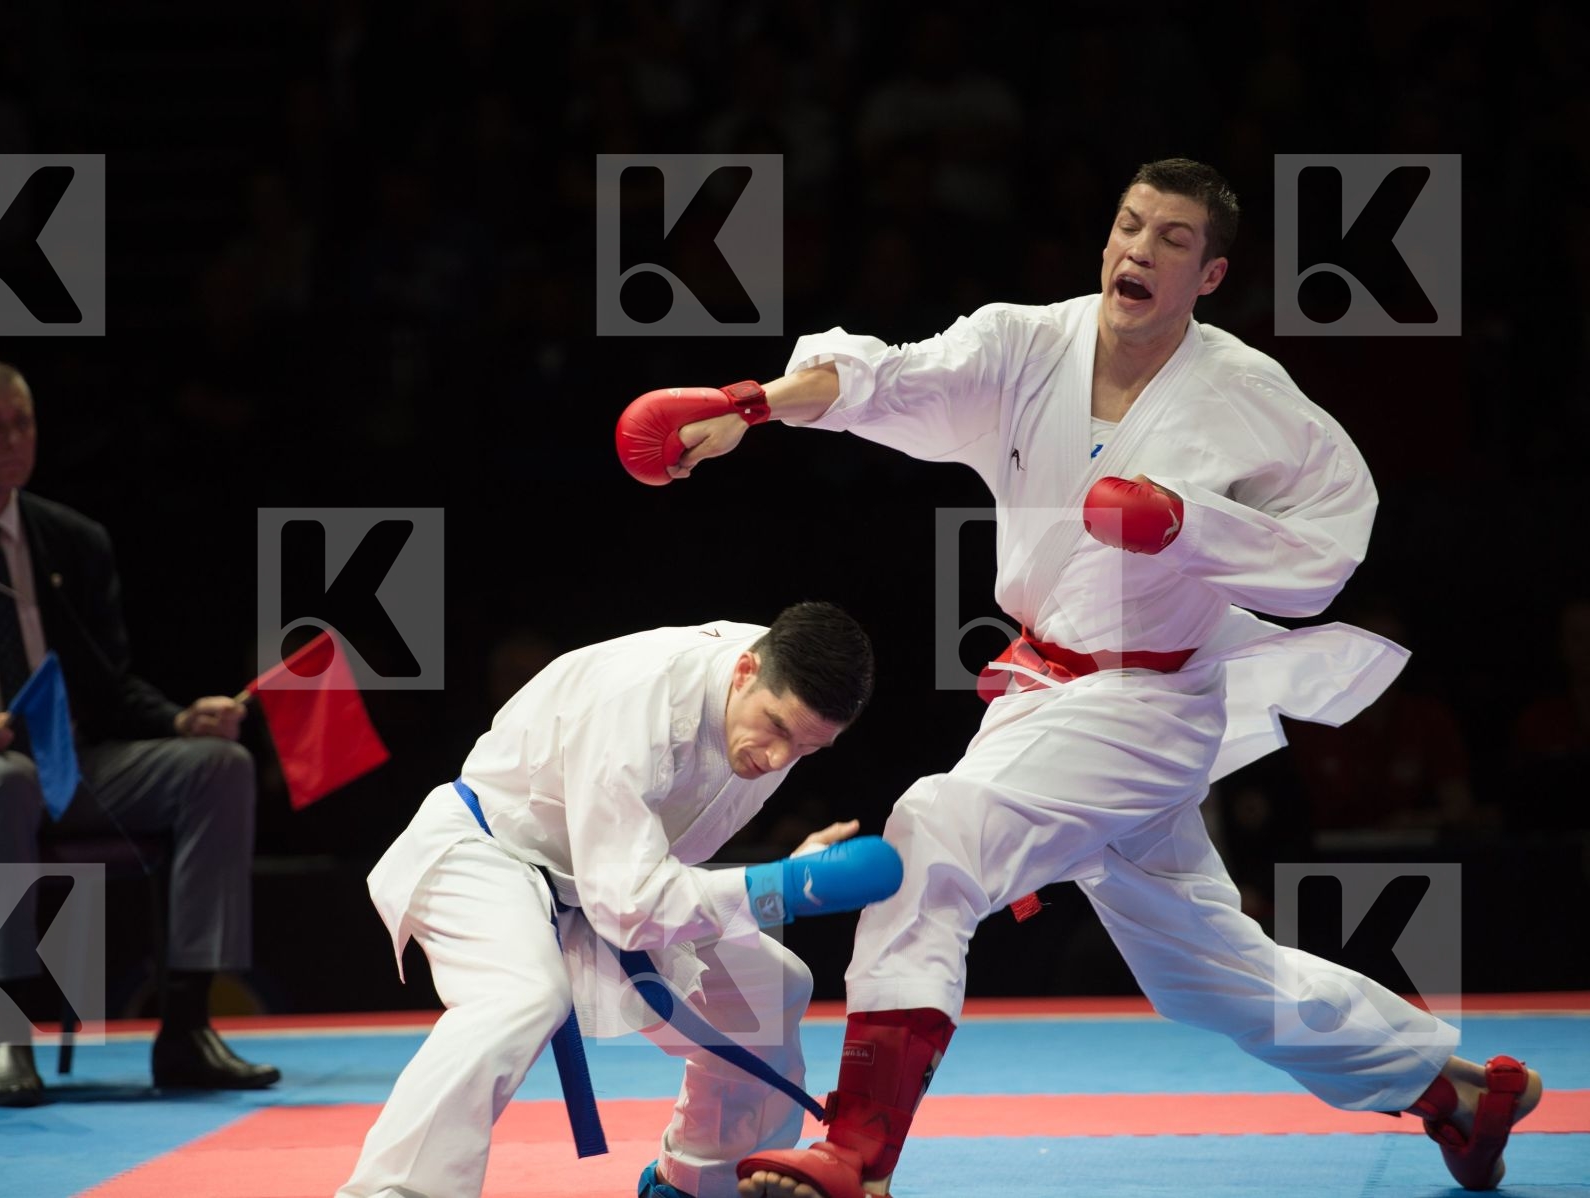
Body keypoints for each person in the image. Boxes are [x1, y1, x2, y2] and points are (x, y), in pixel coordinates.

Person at [618, 159, 1543, 1196]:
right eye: (1130, 224)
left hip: (1154, 702)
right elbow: (888, 375)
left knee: (933, 834)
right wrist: (750, 405)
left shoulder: (1247, 398)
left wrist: (1189, 526)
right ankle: (1452, 1093)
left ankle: (858, 1151)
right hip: (1048, 690)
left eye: (1173, 239)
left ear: (1211, 274)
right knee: (1213, 979)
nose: (1140, 249)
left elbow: (1333, 543)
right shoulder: (1027, 343)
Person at [0, 355, 278, 1107]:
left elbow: (110, 684)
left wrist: (176, 718)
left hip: (74, 761)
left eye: (23, 422)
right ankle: (6, 1038)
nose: (13, 439)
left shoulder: (73, 539)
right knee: (4, 780)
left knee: (216, 764)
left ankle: (189, 1026)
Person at [336, 602, 898, 1198]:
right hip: (490, 851)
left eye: (809, 748)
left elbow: (640, 879)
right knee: (522, 996)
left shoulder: (775, 686)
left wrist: (781, 880)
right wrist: (780, 888)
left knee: (770, 988)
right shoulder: (636, 701)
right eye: (779, 728)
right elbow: (630, 908)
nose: (781, 758)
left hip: (601, 881)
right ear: (743, 671)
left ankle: (695, 1186)